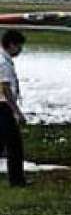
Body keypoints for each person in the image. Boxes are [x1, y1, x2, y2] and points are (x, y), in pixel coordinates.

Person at [0, 30, 26, 187]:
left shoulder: (3, 59)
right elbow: (6, 88)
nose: (20, 50)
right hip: (4, 106)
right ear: (11, 45)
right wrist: (16, 111)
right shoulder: (4, 63)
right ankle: (16, 180)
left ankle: (16, 179)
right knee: (14, 145)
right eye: (19, 46)